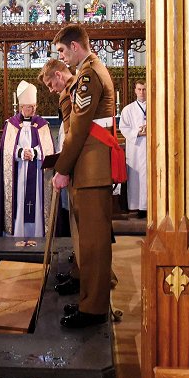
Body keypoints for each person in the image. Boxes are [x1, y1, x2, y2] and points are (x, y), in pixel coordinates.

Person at [52, 23, 115, 328]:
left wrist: (62, 169)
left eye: (62, 51)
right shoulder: (88, 71)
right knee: (90, 240)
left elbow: (78, 129)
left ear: (75, 46)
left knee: (94, 242)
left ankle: (94, 308)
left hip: (92, 167)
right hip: (90, 166)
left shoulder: (89, 75)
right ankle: (90, 299)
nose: (61, 57)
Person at [0, 80, 55, 237]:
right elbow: (6, 149)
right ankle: (17, 233)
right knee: (19, 201)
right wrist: (20, 153)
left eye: (34, 106)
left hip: (37, 171)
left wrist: (34, 153)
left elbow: (48, 147)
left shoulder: (42, 124)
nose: (32, 109)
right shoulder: (11, 124)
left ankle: (38, 233)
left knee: (37, 203)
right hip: (18, 172)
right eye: (29, 106)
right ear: (21, 107)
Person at [39, 58, 80, 287]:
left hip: (76, 167)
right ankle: (78, 270)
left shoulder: (71, 92)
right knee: (75, 223)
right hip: (72, 164)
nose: (51, 90)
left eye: (49, 84)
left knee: (79, 225)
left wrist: (62, 167)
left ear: (58, 75)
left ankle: (80, 273)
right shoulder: (70, 91)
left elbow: (73, 134)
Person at [118, 80, 147, 218]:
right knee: (136, 178)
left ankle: (151, 206)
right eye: (139, 89)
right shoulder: (128, 109)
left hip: (151, 148)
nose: (142, 92)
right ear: (135, 90)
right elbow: (124, 128)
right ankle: (138, 207)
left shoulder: (156, 107)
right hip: (135, 148)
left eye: (144, 89)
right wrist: (138, 132)